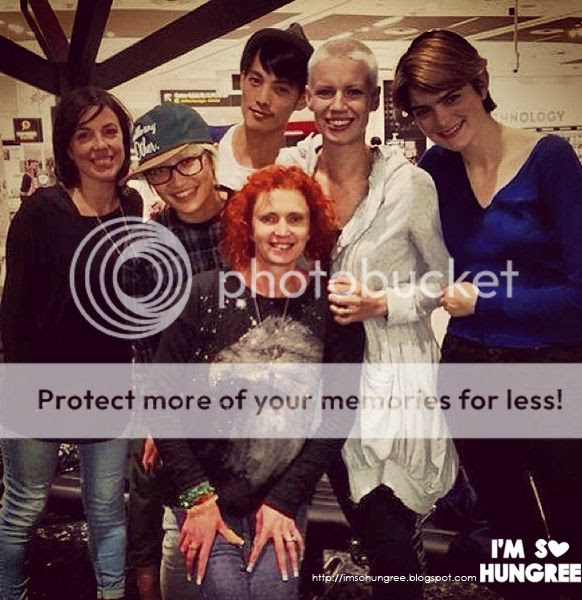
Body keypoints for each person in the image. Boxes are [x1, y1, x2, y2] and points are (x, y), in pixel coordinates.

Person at [393, 29, 582, 600]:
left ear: (480, 84)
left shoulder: (548, 159)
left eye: (451, 97)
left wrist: (486, 301)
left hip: (554, 369)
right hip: (469, 365)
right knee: (507, 528)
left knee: (578, 524)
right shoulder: (435, 169)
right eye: (424, 110)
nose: (441, 119)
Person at [279, 39, 457, 600]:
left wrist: (381, 303)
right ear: (308, 97)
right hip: (308, 379)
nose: (339, 105)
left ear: (374, 99)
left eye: (353, 92)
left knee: (386, 532)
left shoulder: (410, 186)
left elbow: (441, 281)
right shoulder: (289, 175)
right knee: (297, 527)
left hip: (389, 380)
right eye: (326, 91)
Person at [152, 164, 364, 600]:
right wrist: (198, 499)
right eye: (269, 218)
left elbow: (337, 415)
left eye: (295, 218)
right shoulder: (203, 293)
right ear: (247, 225)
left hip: (282, 495)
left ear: (312, 228)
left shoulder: (333, 306)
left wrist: (285, 501)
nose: (282, 231)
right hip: (203, 494)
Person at [0, 87, 142, 600]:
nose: (101, 145)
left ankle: (111, 593)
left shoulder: (132, 205)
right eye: (85, 134)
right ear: (68, 147)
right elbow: (13, 315)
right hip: (38, 382)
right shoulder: (40, 212)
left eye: (110, 131)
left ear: (124, 138)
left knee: (107, 508)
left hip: (107, 383)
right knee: (25, 506)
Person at [122, 103, 224, 600]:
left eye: (186, 162)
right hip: (183, 414)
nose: (177, 181)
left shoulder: (255, 219)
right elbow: (144, 345)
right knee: (181, 536)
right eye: (159, 172)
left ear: (210, 157)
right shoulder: (147, 248)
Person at [216, 23, 312, 194]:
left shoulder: (302, 175)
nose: (262, 99)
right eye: (255, 81)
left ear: (302, 99)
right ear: (242, 79)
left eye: (280, 89)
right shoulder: (204, 154)